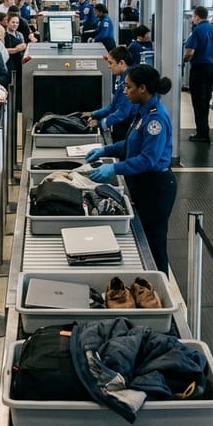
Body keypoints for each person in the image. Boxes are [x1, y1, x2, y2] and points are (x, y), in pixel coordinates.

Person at [84, 64, 177, 273]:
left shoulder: (156, 119)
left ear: (142, 88)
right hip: (142, 183)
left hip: (156, 187)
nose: (125, 91)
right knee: (142, 239)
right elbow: (130, 144)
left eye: (129, 87)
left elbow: (148, 159)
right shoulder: (142, 111)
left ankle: (159, 292)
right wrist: (104, 151)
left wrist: (114, 170)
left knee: (154, 244)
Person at [183, 5, 213, 143]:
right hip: (212, 68)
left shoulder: (197, 30)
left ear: (197, 16)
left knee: (198, 101)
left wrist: (183, 60)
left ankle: (202, 133)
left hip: (199, 68)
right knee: (205, 99)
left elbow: (190, 51)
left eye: (193, 16)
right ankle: (205, 129)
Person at [88, 46, 135, 141]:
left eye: (111, 63)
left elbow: (122, 112)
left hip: (127, 130)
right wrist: (94, 114)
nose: (109, 66)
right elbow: (113, 107)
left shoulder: (130, 83)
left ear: (121, 63)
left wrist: (100, 123)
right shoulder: (122, 79)